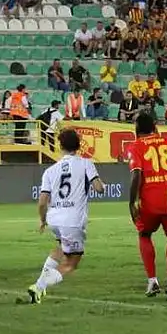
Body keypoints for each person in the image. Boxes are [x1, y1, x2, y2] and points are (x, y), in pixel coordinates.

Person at [28, 128, 107, 303]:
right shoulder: (86, 163)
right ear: (79, 146)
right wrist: (102, 185)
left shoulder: (50, 171)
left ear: (60, 146)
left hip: (54, 218)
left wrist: (43, 220)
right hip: (72, 220)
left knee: (60, 248)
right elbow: (99, 188)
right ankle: (39, 286)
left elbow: (42, 201)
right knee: (72, 262)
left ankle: (39, 290)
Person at [128, 113, 167, 298]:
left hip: (150, 198)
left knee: (145, 234)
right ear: (155, 127)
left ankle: (152, 281)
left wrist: (132, 202)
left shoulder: (136, 146)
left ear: (136, 129)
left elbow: (136, 175)